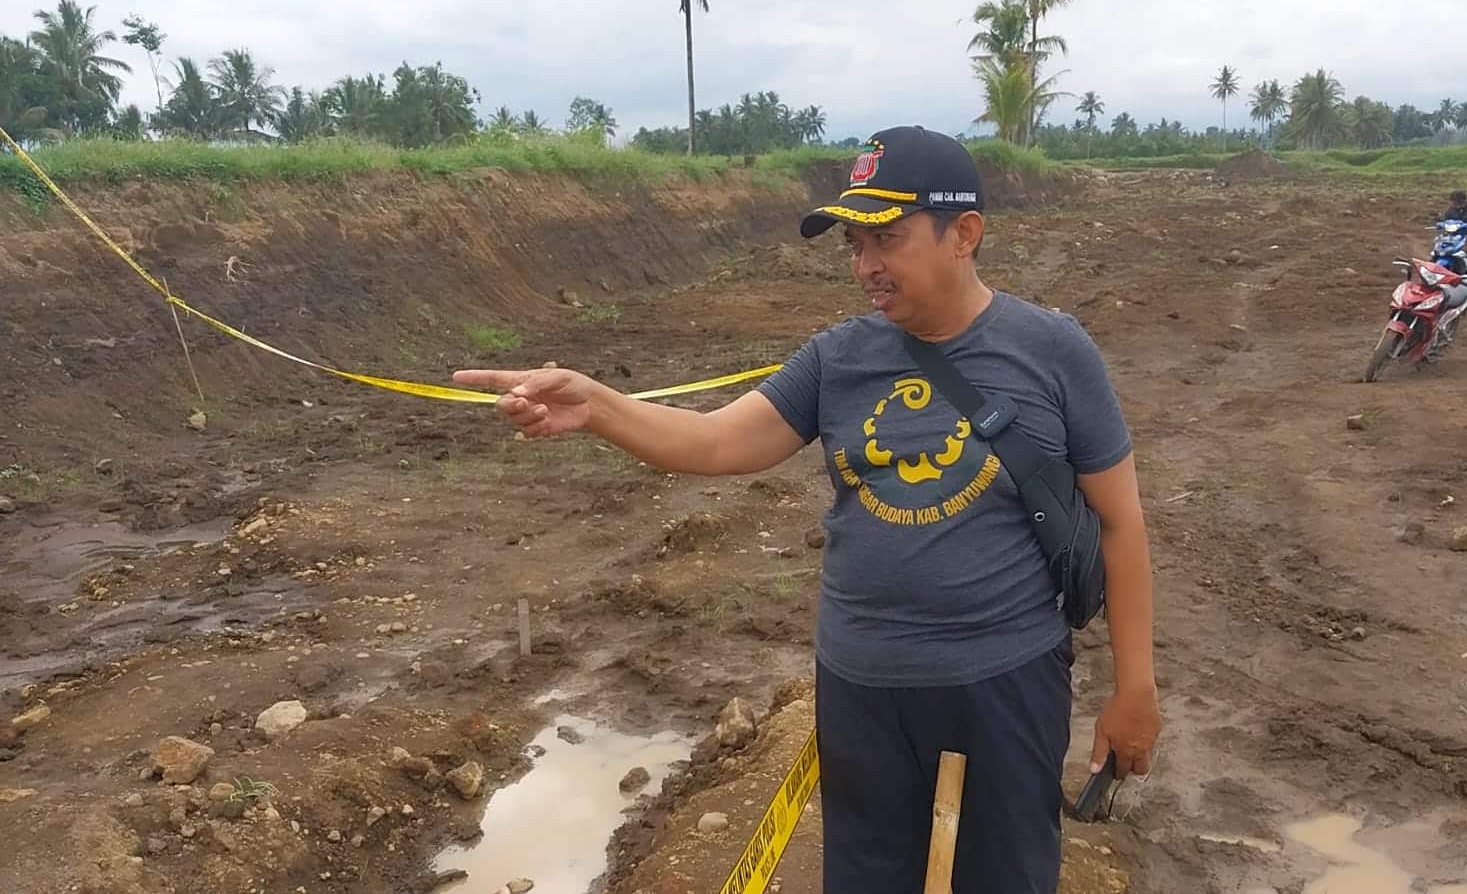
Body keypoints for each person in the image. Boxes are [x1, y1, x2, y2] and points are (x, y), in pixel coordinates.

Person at [454, 125, 1161, 894]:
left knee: (1002, 878)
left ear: (964, 234)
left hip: (1002, 683)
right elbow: (716, 440)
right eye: (853, 245)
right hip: (861, 686)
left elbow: (1120, 523)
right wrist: (595, 404)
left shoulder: (1052, 350)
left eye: (884, 239)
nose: (865, 267)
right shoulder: (836, 357)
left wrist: (1134, 688)